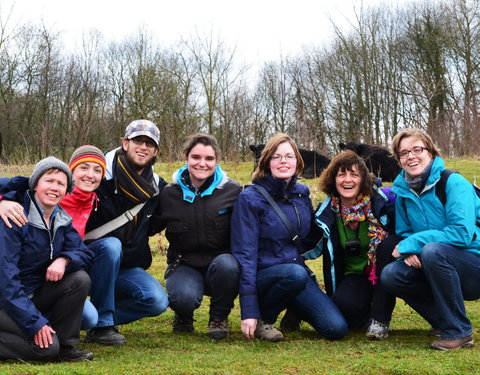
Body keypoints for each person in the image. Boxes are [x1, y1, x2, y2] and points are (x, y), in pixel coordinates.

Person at [231, 133, 348, 342]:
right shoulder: (250, 198)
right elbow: (245, 255)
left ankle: (294, 308)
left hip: (295, 274)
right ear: (267, 162)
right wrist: (248, 310)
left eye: (289, 156)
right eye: (276, 157)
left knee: (336, 328)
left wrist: (367, 187)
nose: (283, 161)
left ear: (297, 161)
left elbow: (311, 235)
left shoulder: (301, 193)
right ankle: (263, 319)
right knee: (294, 274)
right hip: (263, 276)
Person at [381, 128, 480, 350]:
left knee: (433, 250)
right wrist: (410, 250)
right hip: (435, 262)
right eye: (403, 153)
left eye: (417, 149)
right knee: (392, 275)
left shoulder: (454, 183)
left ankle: (459, 332)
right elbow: (406, 232)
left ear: (431, 152)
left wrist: (413, 244)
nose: (411, 156)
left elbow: (461, 233)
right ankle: (443, 322)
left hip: (473, 265)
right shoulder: (403, 194)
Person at [0, 145, 107, 331]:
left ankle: (56, 338)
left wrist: (64, 259)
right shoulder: (15, 216)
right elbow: (6, 277)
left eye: (60, 184)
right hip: (11, 296)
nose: (54, 187)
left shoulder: (62, 219)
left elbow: (83, 252)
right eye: (49, 181)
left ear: (67, 190)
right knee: (45, 349)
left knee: (88, 313)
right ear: (35, 184)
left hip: (40, 290)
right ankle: (35, 328)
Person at [83, 119, 169, 346]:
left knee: (157, 301)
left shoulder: (157, 187)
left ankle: (89, 319)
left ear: (156, 151)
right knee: (111, 246)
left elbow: (158, 222)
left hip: (126, 265)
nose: (143, 147)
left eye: (149, 143)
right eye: (137, 140)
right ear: (125, 143)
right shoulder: (97, 175)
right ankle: (102, 325)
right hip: (87, 264)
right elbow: (46, 186)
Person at [302, 150, 401, 339]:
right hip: (355, 275)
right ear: (333, 179)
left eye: (354, 174)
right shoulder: (326, 213)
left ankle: (380, 319)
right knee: (345, 309)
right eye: (342, 174)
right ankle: (367, 311)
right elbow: (307, 246)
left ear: (363, 178)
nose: (348, 180)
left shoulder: (381, 204)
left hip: (385, 271)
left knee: (389, 244)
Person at [158, 134, 241, 340]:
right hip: (184, 264)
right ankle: (183, 314)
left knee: (228, 266)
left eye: (209, 159)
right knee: (183, 297)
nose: (202, 163)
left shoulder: (233, 191)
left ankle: (219, 317)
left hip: (222, 265)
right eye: (196, 157)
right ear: (186, 158)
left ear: (216, 161)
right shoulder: (168, 194)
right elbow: (148, 226)